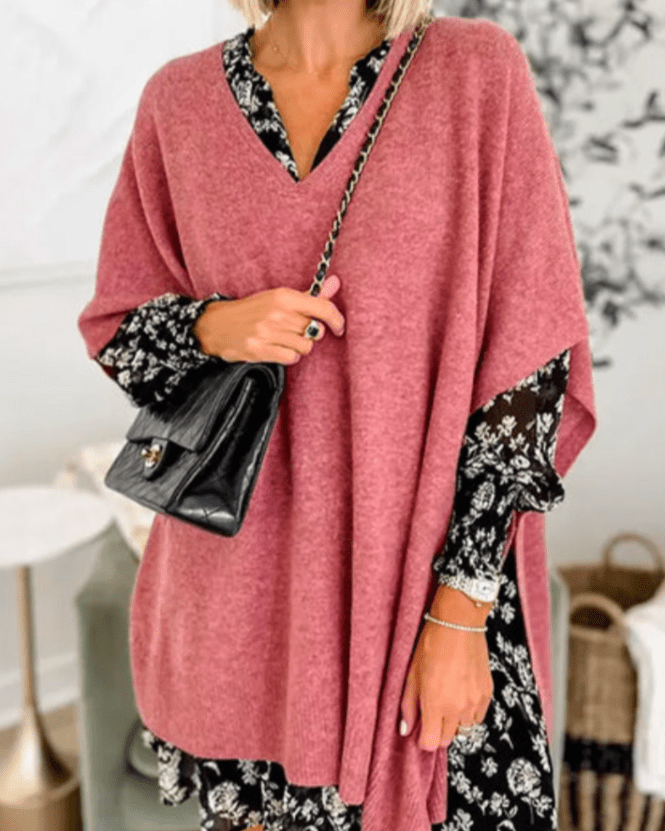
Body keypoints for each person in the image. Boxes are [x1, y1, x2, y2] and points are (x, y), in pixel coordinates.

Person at [77, 0, 598, 828]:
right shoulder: (177, 102)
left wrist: (460, 607)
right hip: (238, 621)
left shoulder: (472, 72)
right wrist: (216, 326)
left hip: (431, 597)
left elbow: (530, 369)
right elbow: (120, 332)